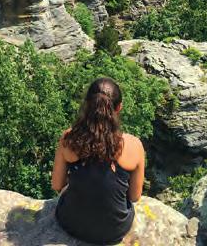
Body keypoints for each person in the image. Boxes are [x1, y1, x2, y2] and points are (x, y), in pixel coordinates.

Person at [52, 77, 145, 245]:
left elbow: (57, 185)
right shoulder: (134, 145)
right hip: (114, 230)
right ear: (119, 108)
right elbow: (134, 196)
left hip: (71, 224)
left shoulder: (69, 139)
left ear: (87, 105)